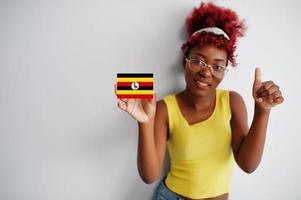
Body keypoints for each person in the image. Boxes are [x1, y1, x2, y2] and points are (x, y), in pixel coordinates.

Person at [115, 2, 284, 200]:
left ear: (225, 71)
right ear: (185, 61)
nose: (206, 72)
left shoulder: (232, 103)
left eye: (217, 66)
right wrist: (144, 123)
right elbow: (149, 175)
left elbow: (248, 165)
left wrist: (262, 112)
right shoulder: (164, 108)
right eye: (198, 61)